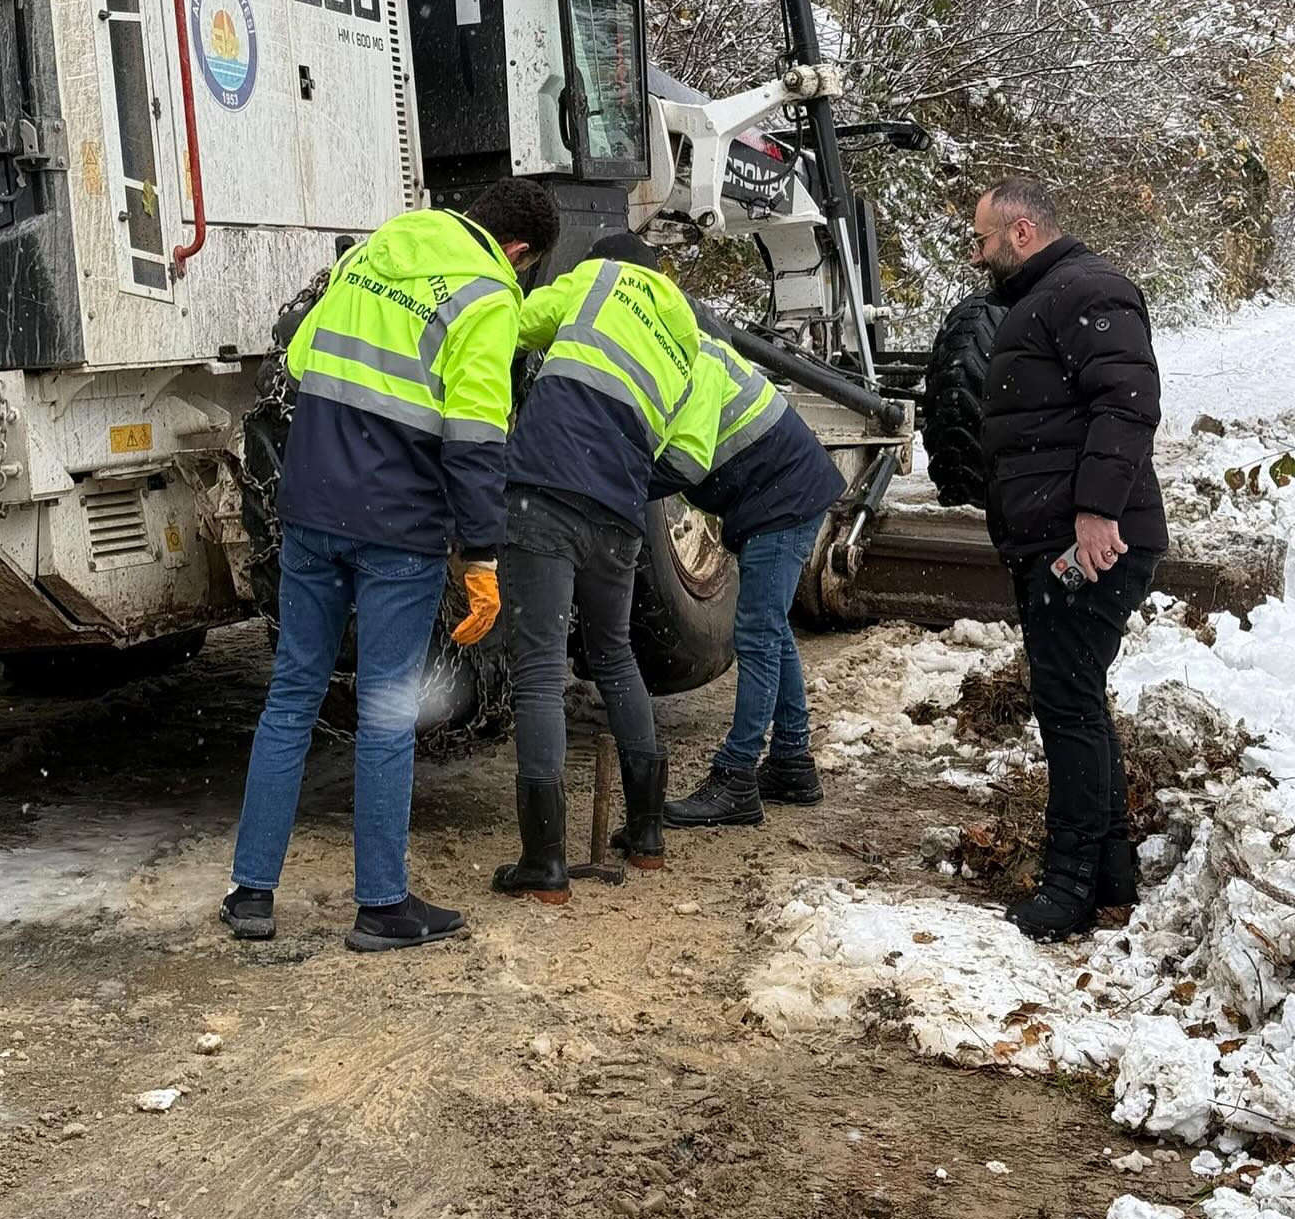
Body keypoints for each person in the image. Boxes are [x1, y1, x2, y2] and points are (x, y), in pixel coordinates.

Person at [220, 179, 560, 951]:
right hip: (398, 531)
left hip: (311, 512)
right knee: (384, 712)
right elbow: (476, 440)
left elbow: (300, 360)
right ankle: (380, 907)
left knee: (292, 697)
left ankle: (251, 894)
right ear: (517, 251)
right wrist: (481, 556)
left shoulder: (374, 251)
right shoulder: (487, 298)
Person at [494, 232, 717, 904]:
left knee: (539, 668)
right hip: (619, 514)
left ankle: (545, 863)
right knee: (615, 655)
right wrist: (616, 480)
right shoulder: (689, 342)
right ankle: (647, 834)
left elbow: (514, 324)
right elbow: (686, 456)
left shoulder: (598, 280)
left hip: (543, 491)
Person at [971, 177, 1167, 942]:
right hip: (1054, 537)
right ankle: (1109, 874)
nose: (977, 255)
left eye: (983, 240)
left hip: (1086, 541)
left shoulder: (1088, 289)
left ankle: (1069, 886)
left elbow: (1128, 400)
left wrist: (1096, 511)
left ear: (1021, 232)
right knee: (1076, 699)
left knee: (1067, 706)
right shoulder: (1047, 297)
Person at [659, 335, 845, 828]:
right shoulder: (685, 345)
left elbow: (685, 461)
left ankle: (736, 777)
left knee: (758, 635)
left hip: (782, 499)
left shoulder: (689, 361)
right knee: (772, 630)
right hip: (785, 490)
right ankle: (791, 763)